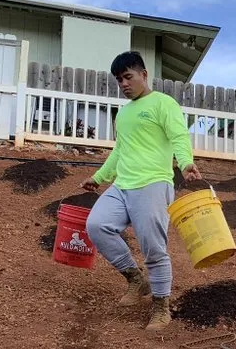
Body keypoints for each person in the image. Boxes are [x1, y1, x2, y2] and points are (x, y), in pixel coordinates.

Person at [83, 51, 201, 330]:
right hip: (122, 185)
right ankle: (136, 280)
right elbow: (120, 151)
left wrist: (185, 163)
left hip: (153, 184)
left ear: (144, 75)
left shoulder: (163, 103)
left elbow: (178, 136)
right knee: (97, 225)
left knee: (153, 248)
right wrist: (99, 177)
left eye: (128, 77)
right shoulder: (123, 114)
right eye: (118, 80)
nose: (123, 84)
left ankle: (162, 306)